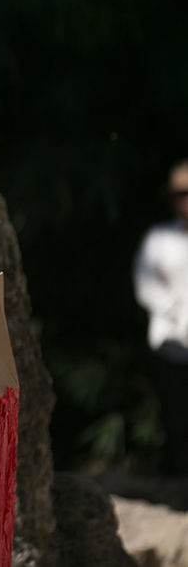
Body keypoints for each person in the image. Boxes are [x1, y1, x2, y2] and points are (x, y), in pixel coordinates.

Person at [134, 160, 188, 473]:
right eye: (182, 194)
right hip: (170, 340)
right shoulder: (158, 238)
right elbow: (146, 285)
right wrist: (177, 313)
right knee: (174, 413)